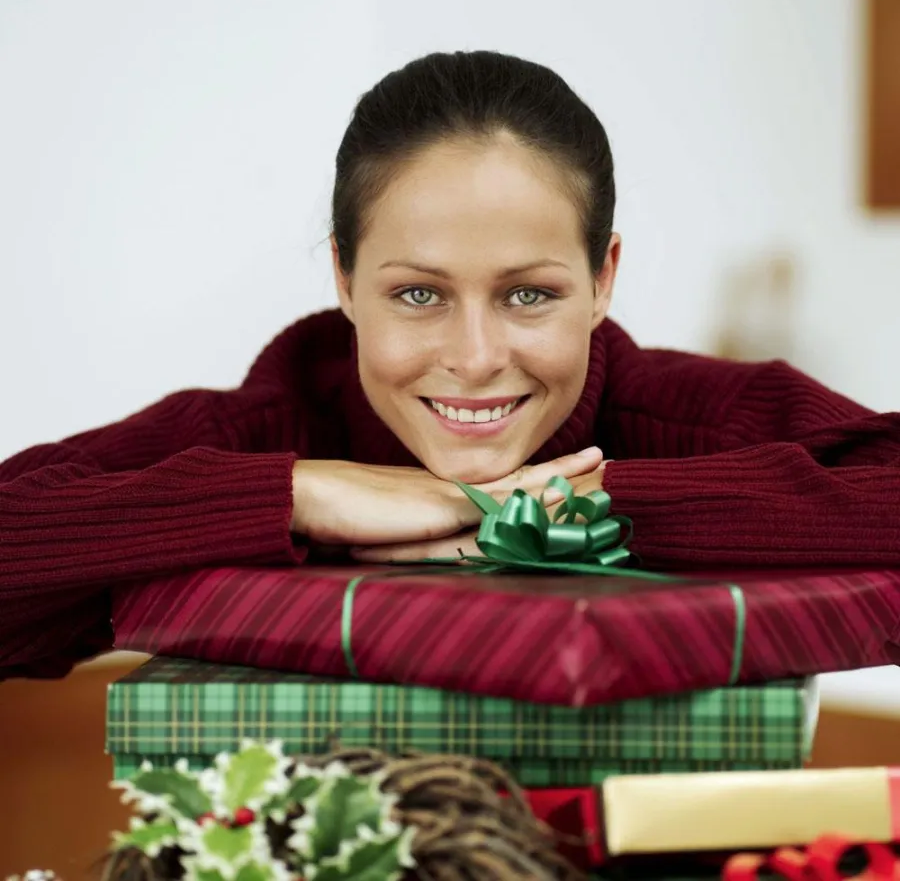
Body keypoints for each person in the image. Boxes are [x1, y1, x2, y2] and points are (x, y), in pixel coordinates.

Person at [2, 51, 899, 681]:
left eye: (529, 295)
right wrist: (299, 493)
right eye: (420, 295)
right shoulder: (259, 429)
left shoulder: (687, 420)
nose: (475, 360)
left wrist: (561, 518)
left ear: (602, 278)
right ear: (345, 279)